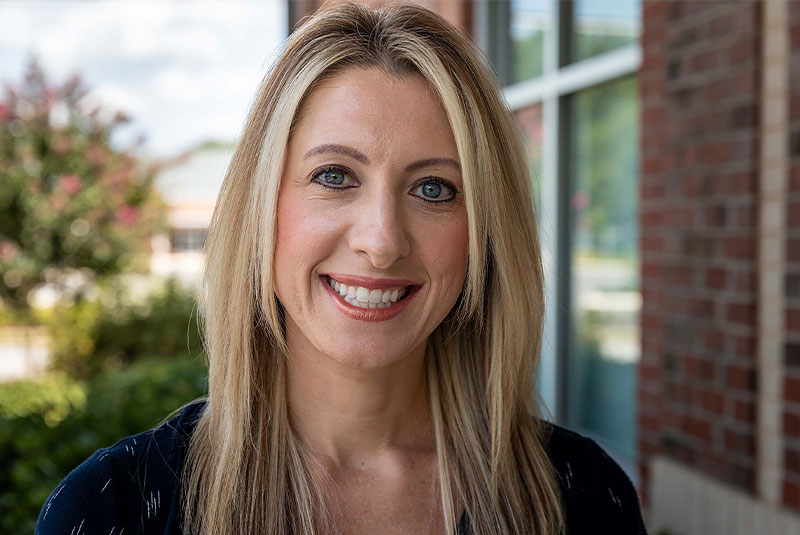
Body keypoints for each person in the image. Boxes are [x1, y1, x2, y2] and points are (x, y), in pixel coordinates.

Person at [36, 2, 648, 534]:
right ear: (263, 209)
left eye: (434, 188)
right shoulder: (113, 509)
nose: (381, 241)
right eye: (334, 176)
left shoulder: (584, 498)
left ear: (484, 233)